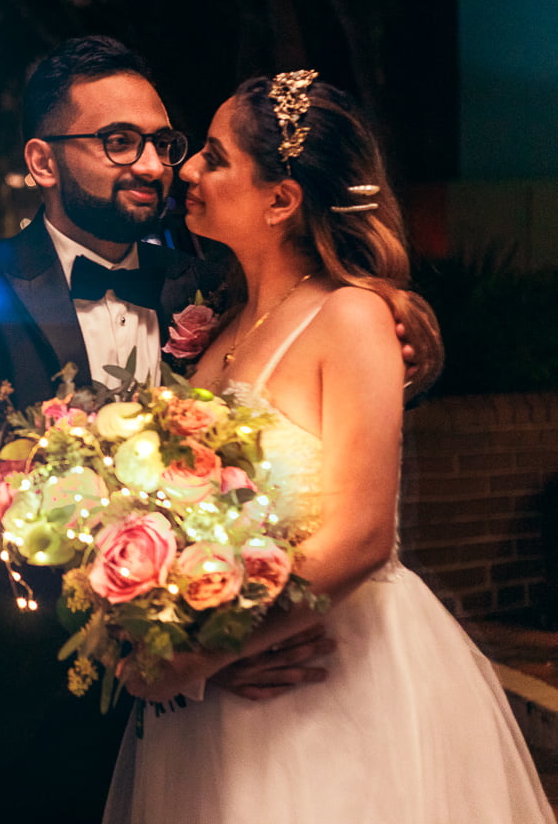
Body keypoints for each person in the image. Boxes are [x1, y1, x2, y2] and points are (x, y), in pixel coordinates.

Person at [101, 71, 554, 823]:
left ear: (281, 199)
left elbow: (363, 535)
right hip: (222, 699)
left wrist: (203, 654)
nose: (187, 170)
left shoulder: (351, 317)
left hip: (330, 682)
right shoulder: (222, 324)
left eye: (214, 156)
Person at [0, 37, 332, 824]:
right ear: (43, 161)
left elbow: (318, 356)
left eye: (162, 143)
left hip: (204, 727)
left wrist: (406, 331)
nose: (153, 165)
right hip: (26, 716)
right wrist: (192, 654)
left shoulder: (212, 285)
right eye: (119, 141)